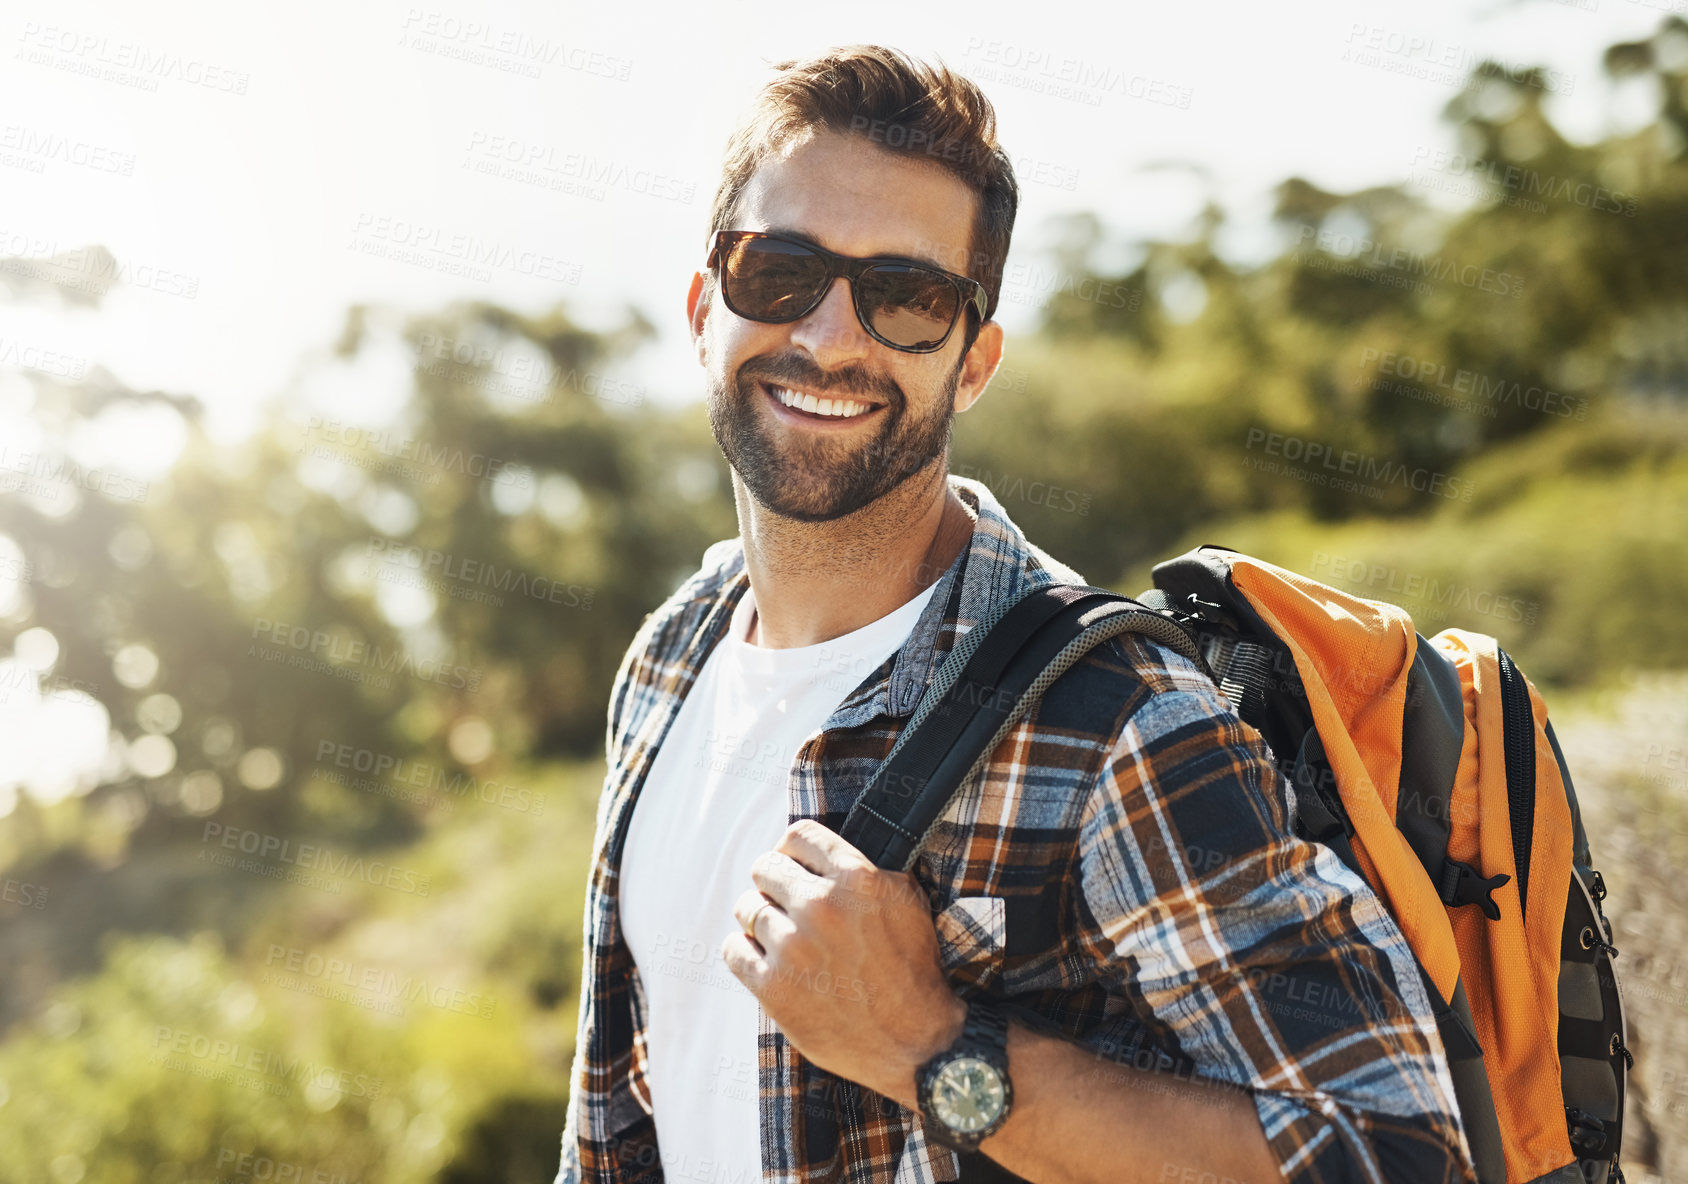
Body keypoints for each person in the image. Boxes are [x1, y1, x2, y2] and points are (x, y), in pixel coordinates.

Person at [556, 44, 1475, 1184]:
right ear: (705, 304)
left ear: (973, 360)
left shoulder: (1117, 722)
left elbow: (1392, 1155)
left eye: (907, 296)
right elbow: (621, 1119)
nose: (833, 337)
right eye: (779, 270)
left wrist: (931, 1047)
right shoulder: (668, 659)